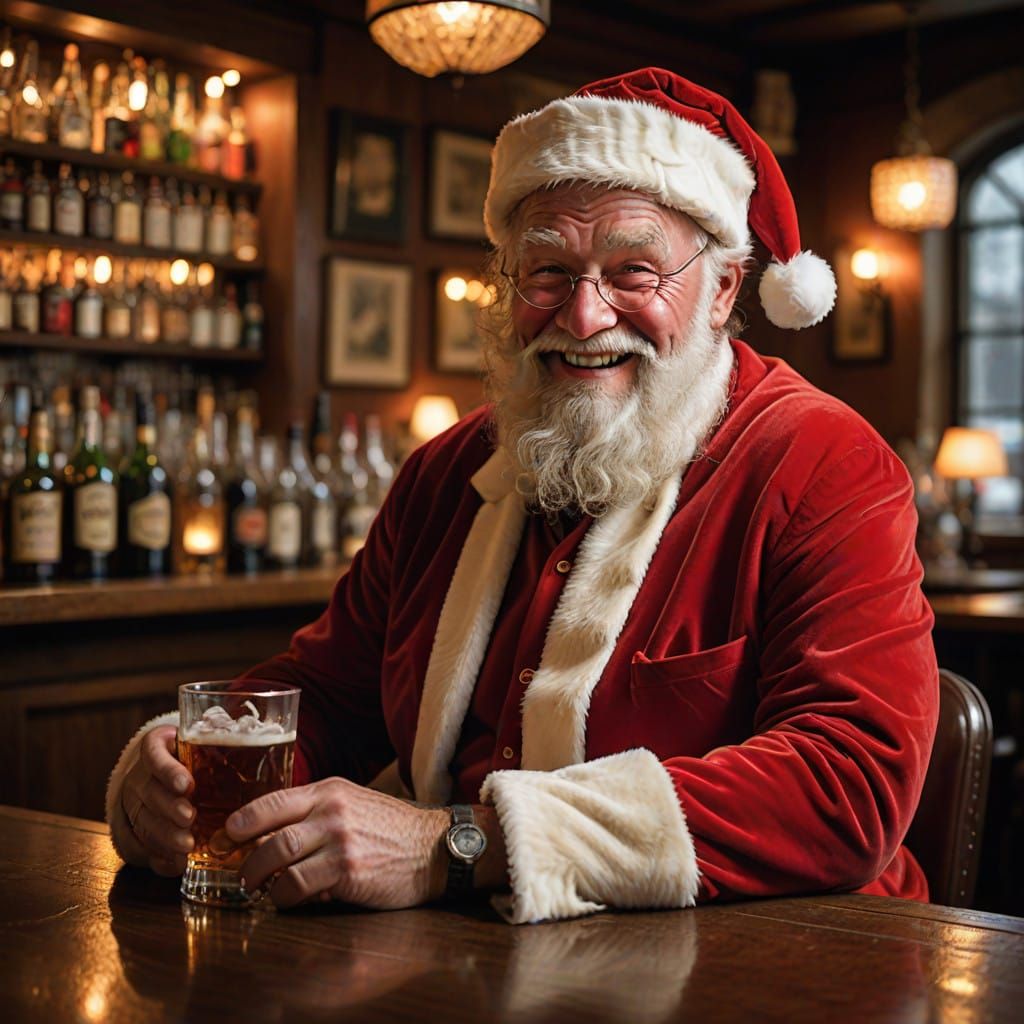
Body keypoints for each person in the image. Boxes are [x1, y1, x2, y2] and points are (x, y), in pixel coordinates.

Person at [106, 68, 939, 924]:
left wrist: (457, 844)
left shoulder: (826, 462)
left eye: (634, 271)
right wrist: (170, 770)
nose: (582, 316)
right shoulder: (444, 473)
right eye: (546, 270)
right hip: (478, 961)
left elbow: (852, 780)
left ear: (724, 288)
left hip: (789, 963)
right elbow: (327, 690)